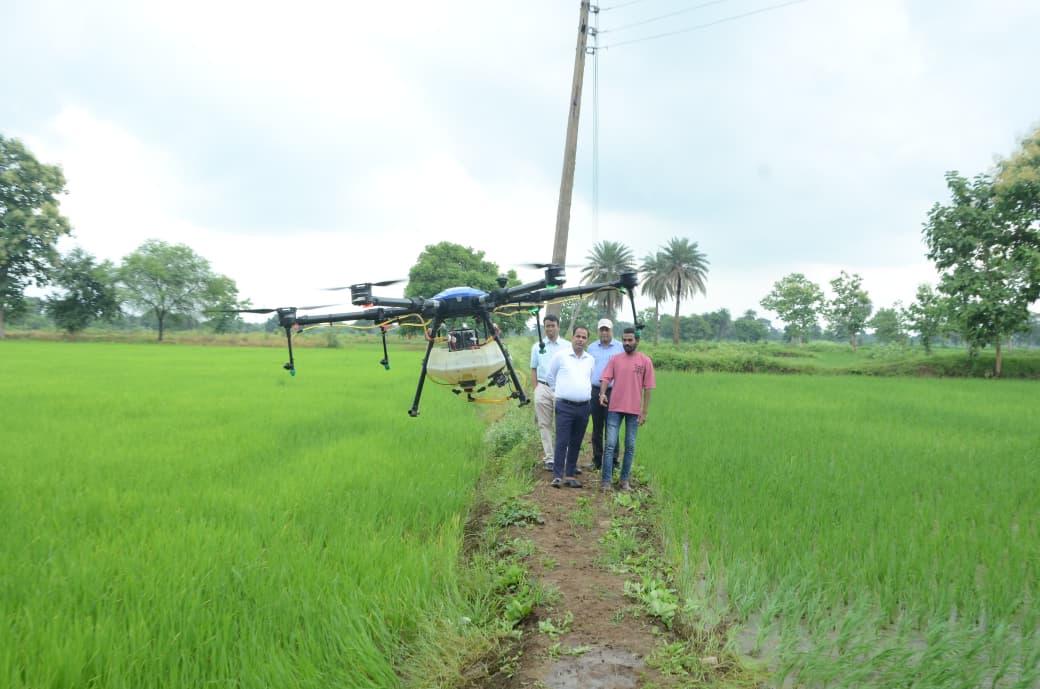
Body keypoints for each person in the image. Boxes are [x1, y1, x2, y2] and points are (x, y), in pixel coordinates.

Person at [598, 327, 655, 492]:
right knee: (610, 445)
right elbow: (605, 378)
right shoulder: (615, 359)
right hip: (615, 408)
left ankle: (624, 482)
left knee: (629, 446)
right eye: (624, 340)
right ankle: (606, 481)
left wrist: (644, 412)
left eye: (630, 340)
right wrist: (602, 393)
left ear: (637, 341)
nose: (627, 343)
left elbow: (648, 388)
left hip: (634, 411)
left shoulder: (645, 361)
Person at [546, 326, 594, 488]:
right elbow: (550, 377)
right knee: (562, 440)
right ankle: (558, 475)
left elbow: (590, 378)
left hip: (583, 407)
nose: (580, 340)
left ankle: (570, 474)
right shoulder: (561, 356)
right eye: (578, 336)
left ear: (587, 340)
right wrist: (560, 392)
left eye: (584, 337)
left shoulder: (590, 359)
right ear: (572, 338)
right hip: (564, 406)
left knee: (576, 441)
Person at [530, 314, 568, 472]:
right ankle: (550, 458)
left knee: (563, 424)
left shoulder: (567, 346)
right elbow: (533, 368)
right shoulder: (537, 347)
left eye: (553, 325)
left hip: (561, 388)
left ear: (558, 327)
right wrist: (536, 389)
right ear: (544, 328)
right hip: (543, 387)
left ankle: (563, 457)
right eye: (547, 326)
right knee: (544, 424)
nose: (550, 329)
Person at [586, 318, 624, 471]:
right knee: (597, 426)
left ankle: (613, 461)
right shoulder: (592, 348)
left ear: (611, 331)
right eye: (601, 329)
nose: (604, 332)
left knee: (612, 425)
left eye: (606, 329)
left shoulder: (620, 348)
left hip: (613, 390)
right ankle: (597, 459)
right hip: (594, 390)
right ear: (598, 331)